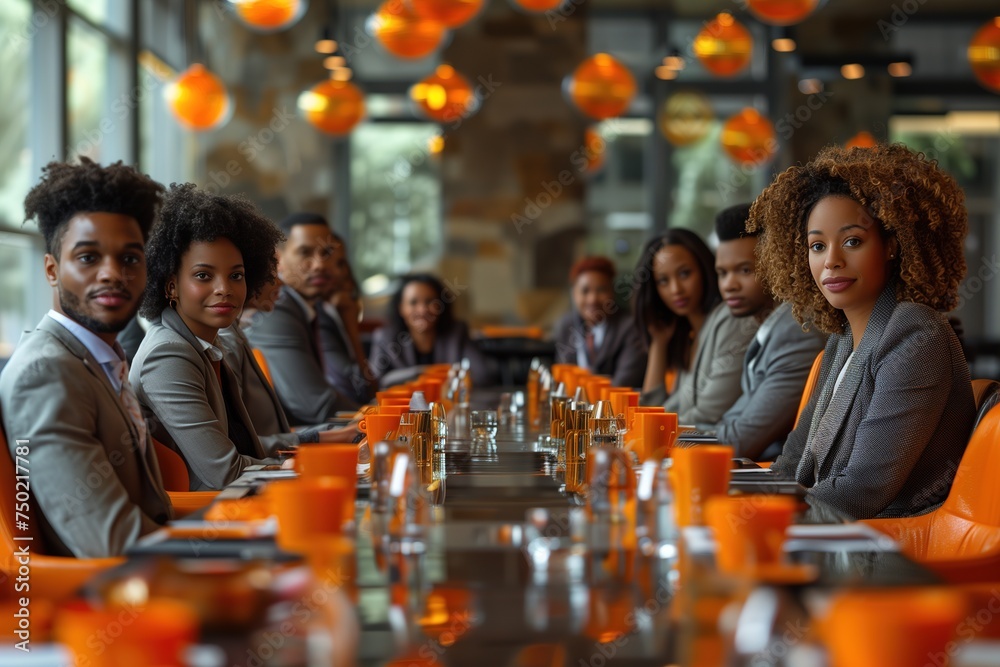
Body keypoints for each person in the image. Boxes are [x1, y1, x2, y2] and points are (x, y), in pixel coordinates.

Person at [750, 143, 974, 519]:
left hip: (885, 550)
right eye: (817, 245)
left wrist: (761, 515)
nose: (831, 261)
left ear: (890, 245)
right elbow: (791, 466)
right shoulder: (841, 342)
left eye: (852, 241)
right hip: (828, 533)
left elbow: (862, 491)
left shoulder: (916, 334)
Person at [0, 158, 171, 557]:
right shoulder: (46, 372)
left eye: (130, 259)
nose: (112, 273)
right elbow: (112, 544)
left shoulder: (97, 358)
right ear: (52, 270)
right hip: (103, 601)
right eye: (89, 257)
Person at [130, 184, 282, 491]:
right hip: (203, 520)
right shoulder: (168, 356)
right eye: (203, 275)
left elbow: (246, 449)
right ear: (171, 286)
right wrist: (300, 469)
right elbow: (224, 472)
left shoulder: (208, 346)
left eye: (236, 275)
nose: (224, 288)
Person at [695, 203, 827, 460]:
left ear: (777, 264)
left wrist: (665, 444)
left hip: (768, 481)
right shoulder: (771, 328)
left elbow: (740, 440)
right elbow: (731, 422)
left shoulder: (797, 331)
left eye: (745, 270)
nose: (729, 285)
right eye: (722, 273)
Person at [219, 266, 359, 447]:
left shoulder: (235, 334)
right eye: (272, 273)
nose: (281, 282)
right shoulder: (228, 341)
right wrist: (326, 435)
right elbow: (239, 445)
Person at [246, 213, 362, 425]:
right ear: (277, 260)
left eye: (327, 253)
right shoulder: (275, 308)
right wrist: (379, 417)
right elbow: (315, 406)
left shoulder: (308, 307)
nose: (319, 264)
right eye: (305, 252)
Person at [634, 229, 757, 424]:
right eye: (663, 281)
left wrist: (652, 429)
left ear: (705, 269)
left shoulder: (731, 319)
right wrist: (658, 344)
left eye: (684, 274)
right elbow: (653, 412)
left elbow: (707, 415)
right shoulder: (689, 337)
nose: (676, 289)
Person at [368, 273, 493, 388]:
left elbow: (482, 376)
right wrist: (429, 372)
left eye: (429, 302)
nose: (422, 310)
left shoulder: (457, 332)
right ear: (401, 308)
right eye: (413, 302)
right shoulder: (385, 336)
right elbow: (376, 382)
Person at [552, 256, 646, 388]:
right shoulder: (566, 325)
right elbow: (562, 380)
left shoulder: (630, 327)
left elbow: (622, 384)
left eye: (601, 290)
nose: (592, 299)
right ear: (574, 294)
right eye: (585, 291)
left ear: (612, 292)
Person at [317, 236, 375, 405]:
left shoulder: (333, 314)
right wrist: (350, 324)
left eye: (341, 263)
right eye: (327, 259)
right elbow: (352, 385)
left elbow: (369, 387)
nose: (337, 271)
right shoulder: (319, 318)